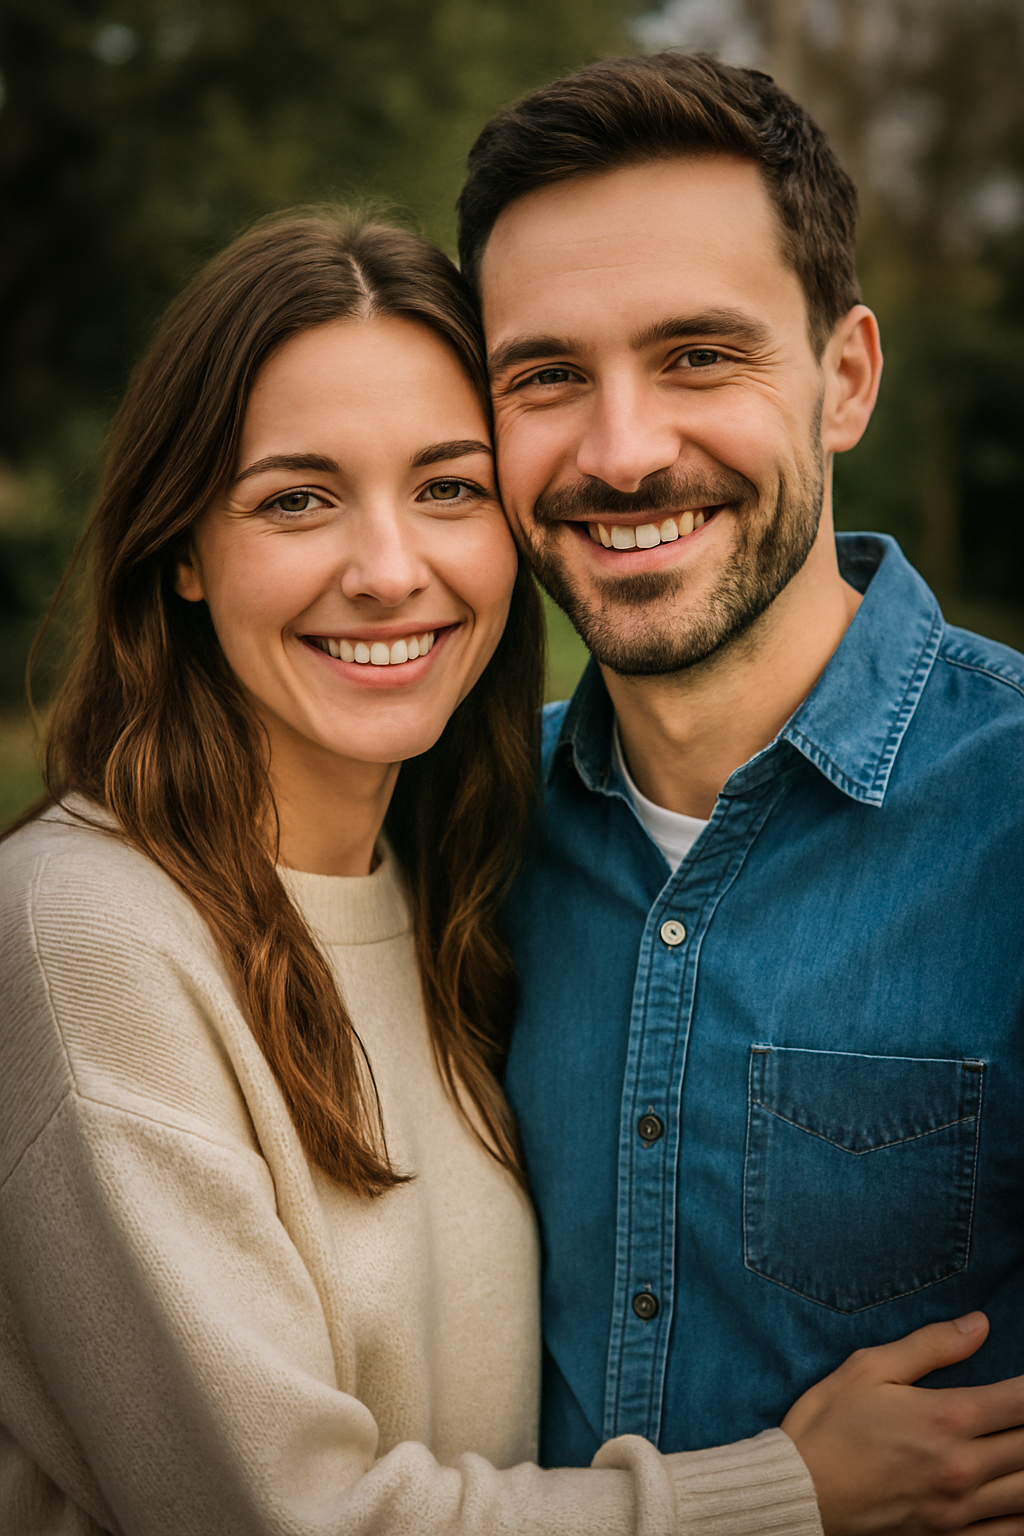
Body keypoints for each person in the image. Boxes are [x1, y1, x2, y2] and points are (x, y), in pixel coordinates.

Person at [0, 209, 832, 1535]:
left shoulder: (457, 892)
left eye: (448, 487)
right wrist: (790, 1494)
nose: (391, 573)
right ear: (182, 555)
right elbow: (285, 1514)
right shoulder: (88, 932)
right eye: (297, 500)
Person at [455, 50, 1024, 1536]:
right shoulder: (453, 828)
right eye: (549, 377)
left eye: (701, 356)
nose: (624, 450)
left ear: (844, 378)